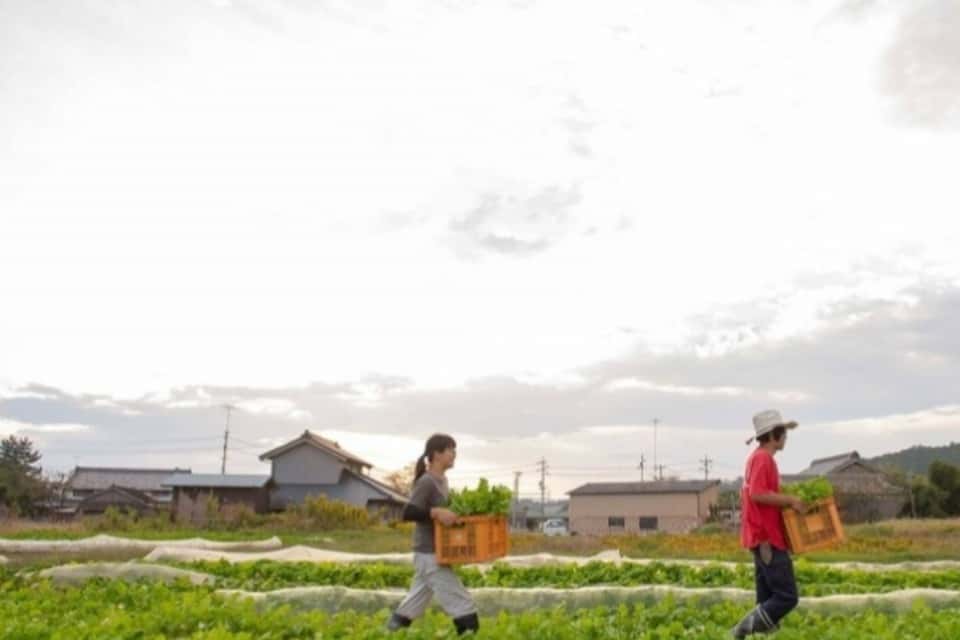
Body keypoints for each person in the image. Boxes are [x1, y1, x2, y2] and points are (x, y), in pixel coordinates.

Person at [387, 433, 480, 635]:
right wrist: (435, 512)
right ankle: (468, 631)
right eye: (450, 450)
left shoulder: (443, 480)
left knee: (412, 604)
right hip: (429, 554)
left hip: (435, 552)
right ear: (437, 454)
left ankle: (389, 633)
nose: (454, 454)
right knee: (464, 607)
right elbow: (408, 512)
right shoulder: (426, 481)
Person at [731, 410, 807, 638]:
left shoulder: (758, 458)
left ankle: (752, 632)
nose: (786, 438)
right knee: (786, 597)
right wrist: (791, 500)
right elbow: (757, 494)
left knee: (767, 599)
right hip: (766, 538)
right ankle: (742, 629)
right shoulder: (763, 459)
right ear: (774, 434)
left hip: (760, 535)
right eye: (784, 433)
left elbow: (760, 495)